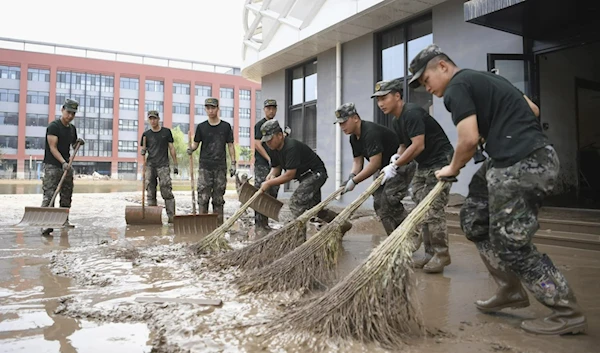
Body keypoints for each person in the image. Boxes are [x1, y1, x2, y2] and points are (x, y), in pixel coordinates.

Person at [409, 43, 586, 334]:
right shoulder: (490, 79)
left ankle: (566, 311)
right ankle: (509, 288)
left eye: (426, 80)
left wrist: (452, 168)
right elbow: (532, 108)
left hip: (523, 162)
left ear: (443, 66)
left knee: (512, 242)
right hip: (514, 160)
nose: (426, 88)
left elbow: (467, 140)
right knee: (475, 220)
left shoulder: (457, 87)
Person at [372, 79, 455, 273]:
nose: (381, 103)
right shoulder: (396, 120)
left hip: (441, 161)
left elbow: (418, 145)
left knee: (433, 209)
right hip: (424, 164)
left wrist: (395, 164)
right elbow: (404, 144)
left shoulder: (411, 113)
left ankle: (442, 255)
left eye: (384, 98)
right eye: (378, 100)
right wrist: (397, 156)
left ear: (397, 96)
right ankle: (429, 254)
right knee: (420, 208)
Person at [258, 119, 352, 237]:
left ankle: (297, 239)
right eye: (266, 141)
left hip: (315, 174)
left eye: (270, 140)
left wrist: (270, 183)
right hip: (305, 177)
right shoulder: (273, 149)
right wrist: (271, 175)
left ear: (280, 135)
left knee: (295, 204)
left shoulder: (291, 147)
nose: (268, 143)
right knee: (316, 210)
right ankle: (342, 224)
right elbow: (276, 167)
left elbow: (289, 175)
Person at [336, 102, 415, 236]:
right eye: (339, 123)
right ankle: (394, 237)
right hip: (386, 171)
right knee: (378, 202)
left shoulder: (370, 132)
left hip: (401, 165)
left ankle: (411, 233)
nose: (342, 126)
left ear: (355, 118)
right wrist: (351, 176)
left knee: (388, 200)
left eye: (344, 122)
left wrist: (355, 181)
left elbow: (375, 164)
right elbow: (357, 161)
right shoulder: (354, 138)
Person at [187, 98, 236, 225]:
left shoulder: (225, 127)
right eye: (208, 108)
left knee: (218, 198)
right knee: (203, 197)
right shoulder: (201, 127)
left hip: (220, 166)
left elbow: (230, 145)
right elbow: (196, 144)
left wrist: (233, 163)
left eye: (213, 108)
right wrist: (191, 149)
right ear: (205, 109)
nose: (210, 110)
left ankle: (218, 226)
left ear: (218, 109)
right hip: (205, 166)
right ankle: (202, 225)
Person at [41, 99, 84, 236]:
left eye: (73, 113)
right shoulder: (54, 126)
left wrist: (78, 143)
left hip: (66, 166)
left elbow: (72, 145)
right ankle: (46, 224)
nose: (70, 116)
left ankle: (63, 220)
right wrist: (63, 162)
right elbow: (53, 148)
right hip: (52, 165)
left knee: (66, 194)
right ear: (62, 110)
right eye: (68, 112)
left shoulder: (72, 129)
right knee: (50, 194)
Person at [140, 110, 178, 223]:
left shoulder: (166, 132)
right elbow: (143, 149)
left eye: (154, 118)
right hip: (150, 165)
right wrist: (142, 151)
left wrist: (175, 163)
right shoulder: (146, 135)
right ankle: (153, 217)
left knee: (166, 188)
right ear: (148, 120)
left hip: (163, 165)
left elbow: (171, 148)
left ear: (158, 119)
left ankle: (172, 218)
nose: (153, 121)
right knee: (150, 189)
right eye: (150, 119)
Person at [253, 98, 280, 236]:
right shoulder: (259, 125)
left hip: (276, 166)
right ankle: (259, 223)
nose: (271, 110)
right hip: (262, 165)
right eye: (268, 108)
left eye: (273, 108)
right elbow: (257, 144)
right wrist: (269, 158)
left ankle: (266, 223)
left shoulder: (277, 127)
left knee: (273, 194)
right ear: (264, 110)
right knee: (261, 192)